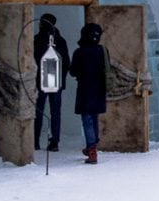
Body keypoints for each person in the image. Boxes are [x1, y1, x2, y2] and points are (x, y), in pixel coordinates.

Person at [69, 22, 107, 165]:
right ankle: (93, 145)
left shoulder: (80, 52)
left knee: (87, 119)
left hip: (85, 89)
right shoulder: (102, 51)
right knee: (94, 117)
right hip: (99, 89)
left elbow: (73, 71)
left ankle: (92, 149)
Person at [33, 13, 70, 152]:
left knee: (38, 112)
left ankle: (35, 140)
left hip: (39, 81)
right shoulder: (60, 40)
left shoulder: (37, 40)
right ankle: (54, 141)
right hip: (56, 82)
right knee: (55, 113)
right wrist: (61, 79)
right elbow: (66, 62)